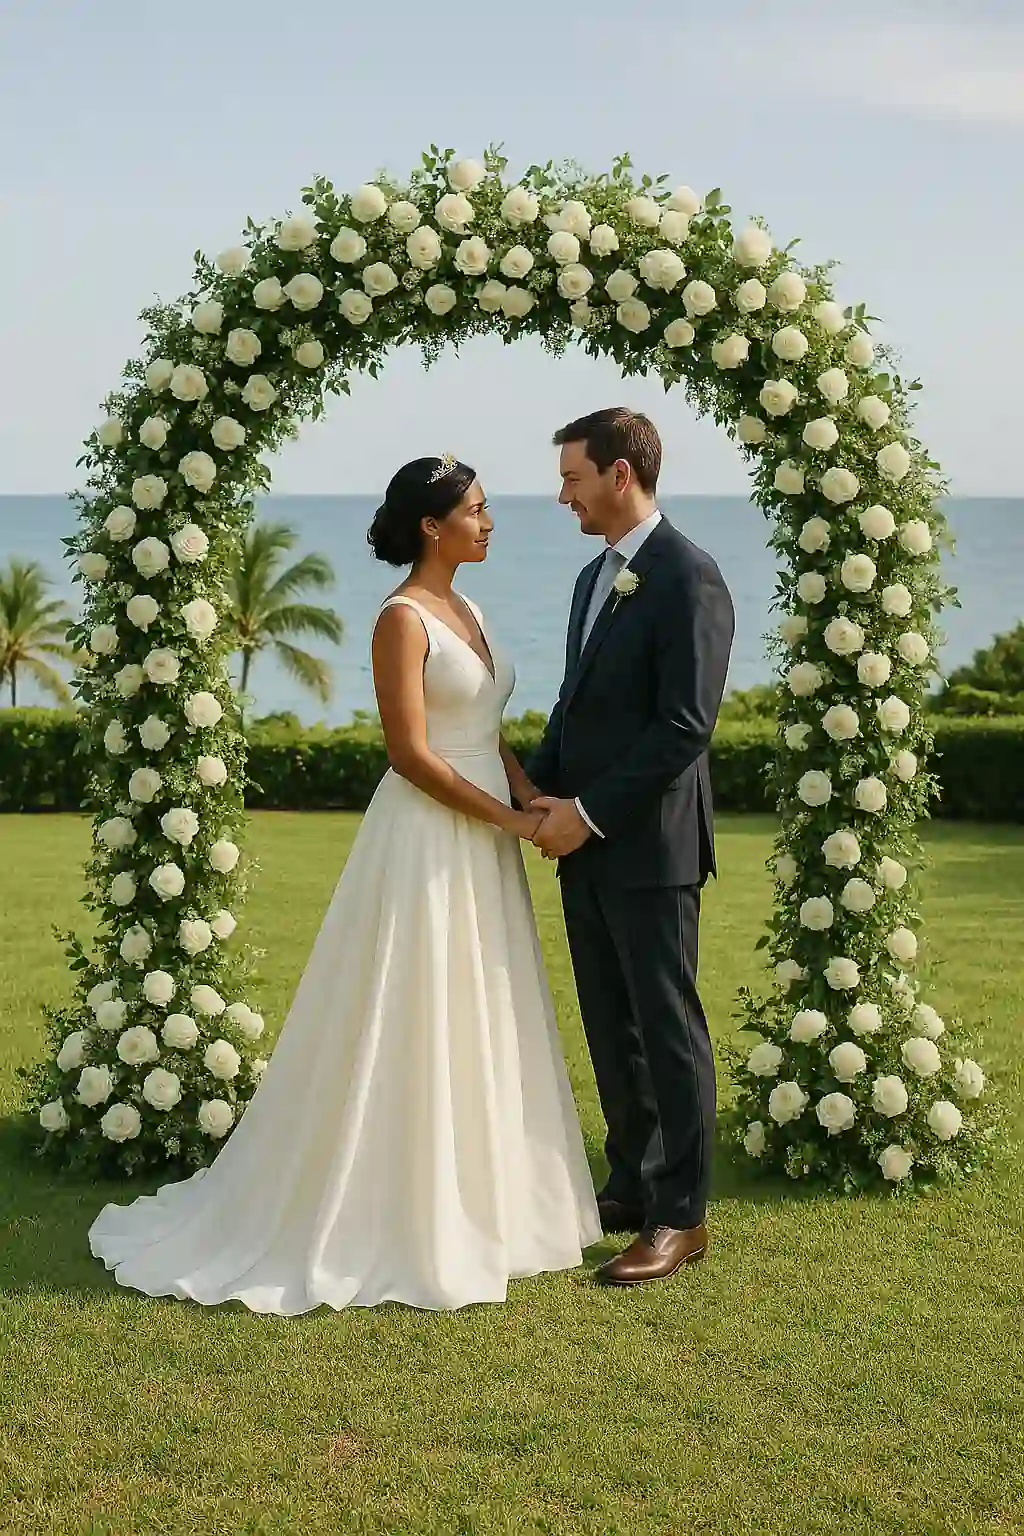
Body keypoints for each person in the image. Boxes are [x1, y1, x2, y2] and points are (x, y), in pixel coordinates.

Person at [89, 456, 601, 1313]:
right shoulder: (401, 618)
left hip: (484, 830)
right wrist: (510, 821)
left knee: (481, 999)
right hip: (427, 834)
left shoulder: (470, 608)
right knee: (415, 1002)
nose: (488, 523)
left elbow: (481, 727)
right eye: (475, 511)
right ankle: (400, 1205)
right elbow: (411, 754)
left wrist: (526, 791)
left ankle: (496, 1205)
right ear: (432, 525)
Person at [528, 408, 735, 1286]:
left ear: (621, 474)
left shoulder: (690, 576)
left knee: (667, 1028)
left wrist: (588, 813)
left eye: (572, 479)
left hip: (651, 847)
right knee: (611, 1025)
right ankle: (631, 1182)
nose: (563, 496)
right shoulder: (592, 578)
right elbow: (574, 701)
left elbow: (685, 726)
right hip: (585, 845)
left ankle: (681, 1215)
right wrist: (534, 787)